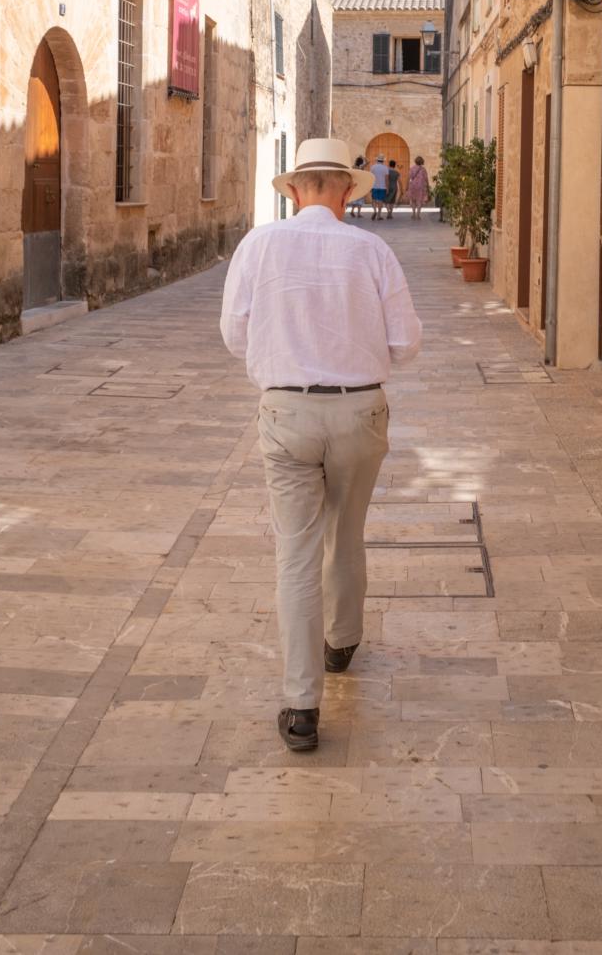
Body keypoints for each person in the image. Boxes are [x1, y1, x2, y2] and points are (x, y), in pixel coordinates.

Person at [219, 139, 422, 752]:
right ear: (345, 192)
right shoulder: (372, 250)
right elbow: (406, 343)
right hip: (359, 410)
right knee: (346, 529)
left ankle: (302, 704)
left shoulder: (259, 245)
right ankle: (342, 641)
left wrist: (286, 349)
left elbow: (234, 334)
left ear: (293, 190)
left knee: (296, 550)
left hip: (287, 411)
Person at [407, 156, 430, 221]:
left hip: (413, 186)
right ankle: (418, 215)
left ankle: (413, 213)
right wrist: (428, 186)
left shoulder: (412, 168)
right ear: (422, 162)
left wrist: (407, 186)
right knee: (419, 201)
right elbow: (426, 179)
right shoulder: (423, 169)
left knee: (413, 200)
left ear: (415, 161)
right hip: (421, 187)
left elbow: (409, 177)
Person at [370, 154, 390, 220]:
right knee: (380, 200)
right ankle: (378, 215)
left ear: (377, 160)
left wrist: (370, 186)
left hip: (374, 186)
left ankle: (374, 211)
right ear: (383, 161)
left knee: (374, 199)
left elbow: (371, 177)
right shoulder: (385, 168)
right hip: (382, 187)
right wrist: (387, 187)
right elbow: (386, 179)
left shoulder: (373, 167)